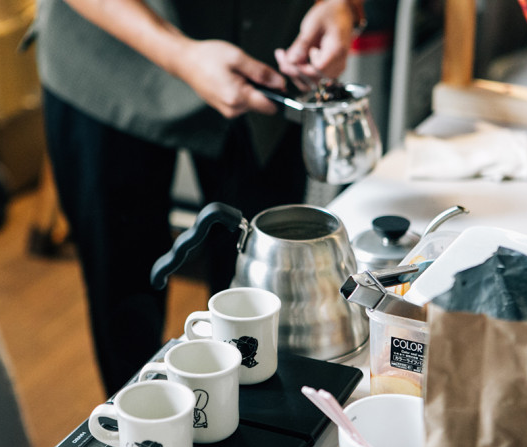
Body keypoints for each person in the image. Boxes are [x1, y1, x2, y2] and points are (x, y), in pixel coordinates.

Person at [33, 0, 364, 395]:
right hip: (109, 64)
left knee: (265, 292)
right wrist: (180, 54)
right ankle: (144, 421)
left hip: (268, 63)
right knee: (123, 296)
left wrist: (342, 5)